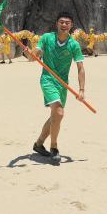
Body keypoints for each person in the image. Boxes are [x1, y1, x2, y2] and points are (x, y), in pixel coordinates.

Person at [25, 12, 85, 163]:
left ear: (71, 25)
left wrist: (82, 90)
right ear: (57, 24)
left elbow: (80, 68)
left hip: (63, 84)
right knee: (59, 112)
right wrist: (29, 54)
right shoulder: (46, 38)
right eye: (61, 22)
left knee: (55, 116)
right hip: (47, 80)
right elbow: (33, 58)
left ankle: (38, 144)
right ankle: (54, 148)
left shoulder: (74, 45)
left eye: (67, 22)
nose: (64, 25)